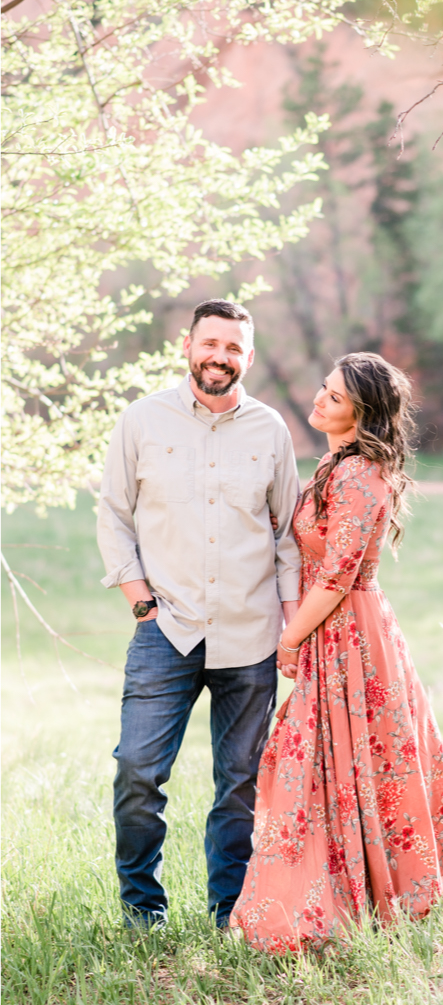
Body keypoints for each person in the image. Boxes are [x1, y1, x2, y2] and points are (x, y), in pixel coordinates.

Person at [229, 351, 443, 953]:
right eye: (323, 389)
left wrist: (289, 638)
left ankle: (341, 903)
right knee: (329, 763)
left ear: (363, 412)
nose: (317, 401)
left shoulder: (359, 476)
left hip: (347, 632)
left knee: (343, 761)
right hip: (330, 628)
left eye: (331, 397)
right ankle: (332, 899)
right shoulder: (338, 463)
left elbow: (335, 577)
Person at [98, 298, 302, 928]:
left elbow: (288, 537)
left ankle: (230, 916)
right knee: (138, 773)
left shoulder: (271, 430)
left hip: (252, 635)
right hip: (167, 630)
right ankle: (142, 913)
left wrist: (291, 633)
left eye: (234, 347)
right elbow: (114, 514)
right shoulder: (141, 421)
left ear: (249, 355)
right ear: (187, 346)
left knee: (238, 787)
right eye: (210, 344)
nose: (220, 357)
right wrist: (140, 602)